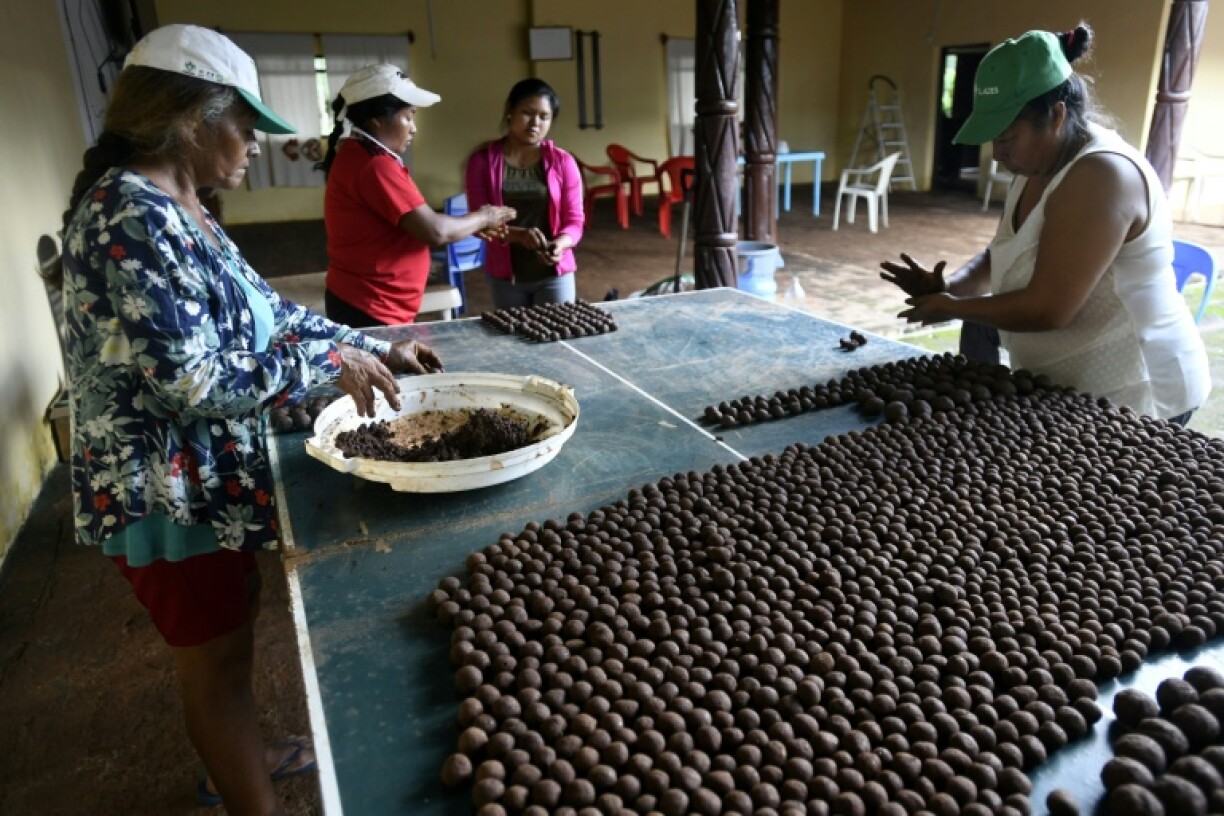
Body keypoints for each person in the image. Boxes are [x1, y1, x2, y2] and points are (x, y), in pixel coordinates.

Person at [59, 25, 443, 814]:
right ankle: (245, 794)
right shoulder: (128, 219)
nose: (255, 145)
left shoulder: (184, 204)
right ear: (190, 120)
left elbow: (272, 316)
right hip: (164, 493)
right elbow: (191, 382)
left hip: (213, 478)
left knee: (232, 634)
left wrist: (370, 345)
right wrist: (332, 366)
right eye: (245, 126)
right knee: (215, 663)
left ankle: (243, 750)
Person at [881, 24, 1210, 423]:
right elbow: (1001, 253)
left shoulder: (1101, 176)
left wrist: (955, 308)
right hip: (1067, 391)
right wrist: (951, 286)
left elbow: (1049, 309)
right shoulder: (1035, 164)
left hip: (1136, 394)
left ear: (1056, 116)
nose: (997, 154)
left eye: (1006, 137)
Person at [317, 64, 516, 328]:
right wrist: (484, 216)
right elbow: (435, 231)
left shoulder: (358, 153)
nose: (413, 128)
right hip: (372, 306)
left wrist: (464, 228)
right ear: (377, 119)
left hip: (365, 300)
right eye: (408, 117)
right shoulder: (375, 166)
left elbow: (403, 222)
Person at [465, 78, 586, 309]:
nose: (535, 123)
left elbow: (575, 221)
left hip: (554, 276)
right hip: (506, 278)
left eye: (544, 116)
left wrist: (560, 244)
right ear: (509, 110)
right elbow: (477, 222)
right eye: (527, 113)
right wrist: (518, 235)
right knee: (514, 340)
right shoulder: (481, 162)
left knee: (555, 340)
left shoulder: (563, 162)